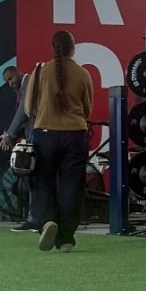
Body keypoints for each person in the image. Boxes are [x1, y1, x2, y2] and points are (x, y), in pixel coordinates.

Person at [23, 30, 95, 252]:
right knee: (71, 187)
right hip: (75, 135)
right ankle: (65, 239)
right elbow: (87, 109)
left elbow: (28, 108)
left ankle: (47, 221)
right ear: (73, 48)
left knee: (42, 182)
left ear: (52, 47)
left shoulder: (39, 71)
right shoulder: (83, 74)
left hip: (45, 134)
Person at [0, 64, 37, 232]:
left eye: (11, 78)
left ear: (18, 73)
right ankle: (36, 218)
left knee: (35, 178)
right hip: (35, 135)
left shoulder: (28, 83)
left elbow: (24, 111)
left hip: (39, 136)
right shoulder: (25, 86)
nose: (10, 83)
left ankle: (34, 219)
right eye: (7, 82)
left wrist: (10, 135)